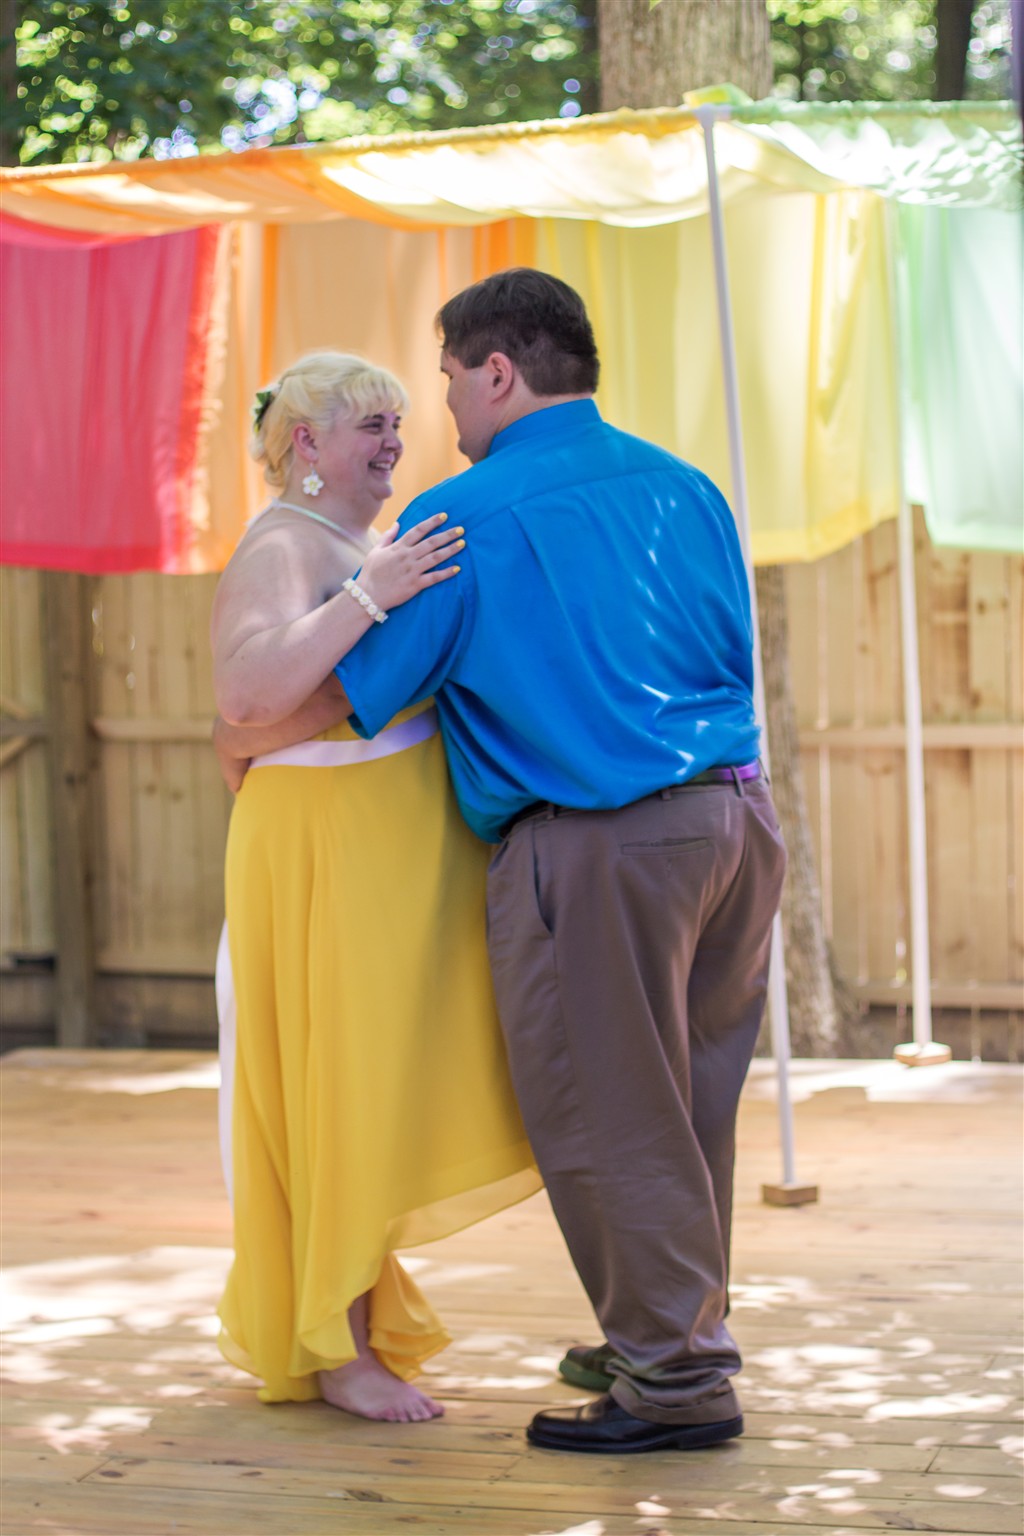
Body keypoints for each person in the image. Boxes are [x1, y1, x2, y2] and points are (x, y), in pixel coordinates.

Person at [219, 271, 787, 1455]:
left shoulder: (466, 516)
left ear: (496, 372)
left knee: (614, 1114)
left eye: (443, 383)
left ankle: (674, 1381)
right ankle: (666, 1331)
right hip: (735, 822)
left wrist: (243, 738)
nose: (438, 414)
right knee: (691, 1107)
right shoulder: (687, 487)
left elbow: (357, 691)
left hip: (604, 845)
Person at [210, 350, 539, 1424]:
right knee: (334, 1083)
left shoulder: (361, 542)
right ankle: (337, 1345)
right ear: (306, 442)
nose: (396, 443)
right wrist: (369, 594)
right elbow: (245, 696)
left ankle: (345, 1312)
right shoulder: (283, 542)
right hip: (323, 842)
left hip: (383, 840)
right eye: (372, 426)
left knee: (376, 1080)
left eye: (398, 422)